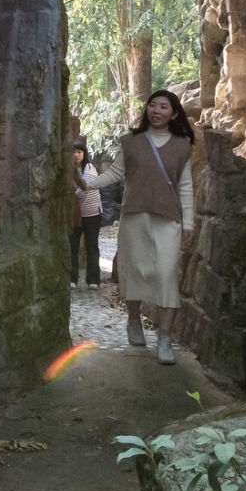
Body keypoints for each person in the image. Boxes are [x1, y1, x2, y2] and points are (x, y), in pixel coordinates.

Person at [81, 89, 195, 365]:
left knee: (167, 276)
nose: (156, 111)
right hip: (134, 217)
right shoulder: (131, 142)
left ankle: (165, 340)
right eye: (152, 105)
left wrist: (189, 223)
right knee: (133, 272)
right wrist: (86, 183)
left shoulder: (182, 145)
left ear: (175, 113)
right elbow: (115, 174)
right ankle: (134, 319)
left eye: (163, 107)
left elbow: (186, 186)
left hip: (168, 219)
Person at [70, 142, 103, 289]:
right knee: (72, 246)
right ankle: (72, 278)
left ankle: (93, 279)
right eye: (74, 152)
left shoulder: (90, 168)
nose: (76, 155)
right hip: (74, 215)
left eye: (79, 152)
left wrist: (72, 201)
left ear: (84, 154)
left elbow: (85, 189)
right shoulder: (68, 170)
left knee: (91, 245)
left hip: (91, 213)